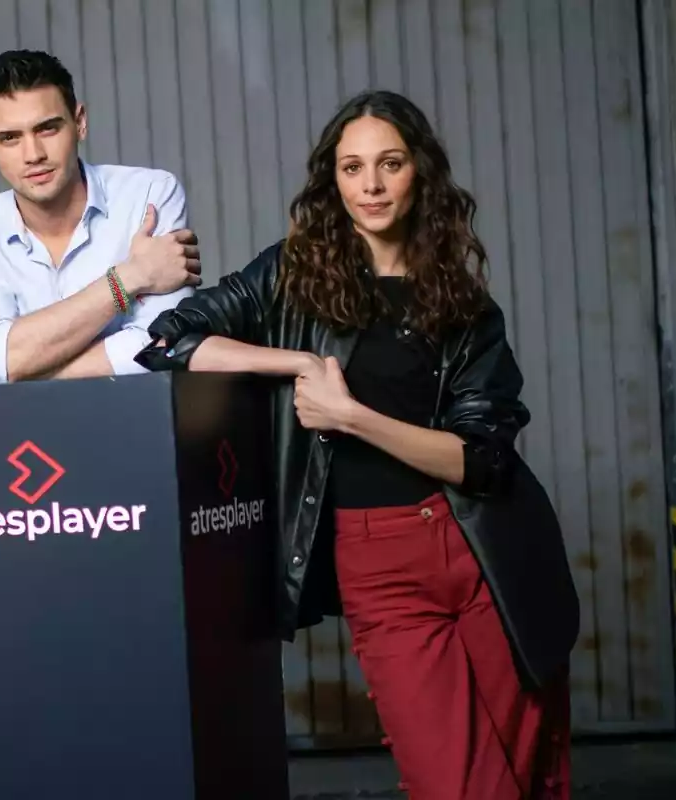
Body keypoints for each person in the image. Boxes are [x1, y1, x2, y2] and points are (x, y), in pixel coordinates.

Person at [136, 90, 579, 798]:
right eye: (351, 168)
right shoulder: (290, 276)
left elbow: (482, 459)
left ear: (420, 174)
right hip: (379, 563)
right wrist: (299, 365)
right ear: (332, 179)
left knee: (526, 776)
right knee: (461, 786)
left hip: (488, 552)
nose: (370, 186)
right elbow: (168, 341)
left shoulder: (464, 305)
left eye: (390, 163)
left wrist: (350, 415)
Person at [0, 49, 201, 382]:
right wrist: (128, 278)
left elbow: (161, 343)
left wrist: (28, 372)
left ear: (80, 123)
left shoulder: (148, 195)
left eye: (47, 129)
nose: (33, 154)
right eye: (9, 138)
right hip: (25, 432)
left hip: (136, 420)